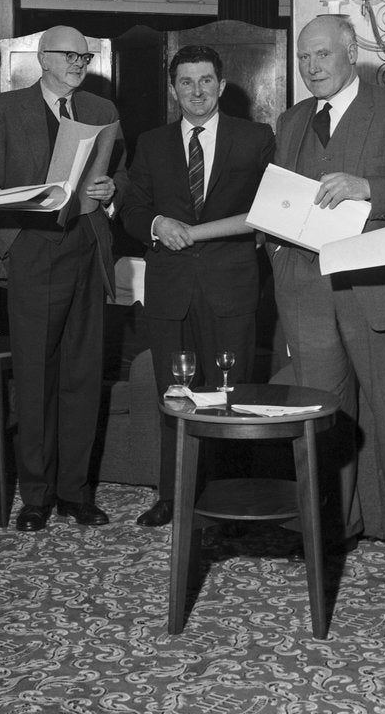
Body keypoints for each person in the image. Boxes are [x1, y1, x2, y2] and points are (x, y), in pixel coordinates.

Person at [269, 15, 385, 576]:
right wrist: (277, 251)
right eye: (303, 57)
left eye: (322, 55)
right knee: (319, 418)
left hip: (377, 290)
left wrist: (368, 189)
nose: (311, 67)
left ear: (351, 52)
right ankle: (329, 526)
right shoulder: (291, 120)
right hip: (307, 293)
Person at [119, 45, 275, 527]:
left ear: (221, 85)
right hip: (170, 291)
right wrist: (156, 224)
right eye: (186, 82)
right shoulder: (152, 143)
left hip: (231, 289)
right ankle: (172, 496)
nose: (197, 91)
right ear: (173, 89)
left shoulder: (255, 137)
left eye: (206, 80)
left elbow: (268, 210)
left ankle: (231, 497)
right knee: (173, 395)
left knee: (231, 397)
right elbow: (132, 209)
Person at [0, 26, 121, 532]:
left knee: (83, 376)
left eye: (85, 55)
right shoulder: (3, 108)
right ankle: (35, 497)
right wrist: (12, 248)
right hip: (32, 252)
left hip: (86, 250)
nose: (79, 62)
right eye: (69, 54)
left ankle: (74, 493)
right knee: (35, 378)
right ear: (42, 58)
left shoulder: (102, 110)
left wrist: (111, 190)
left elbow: (120, 176)